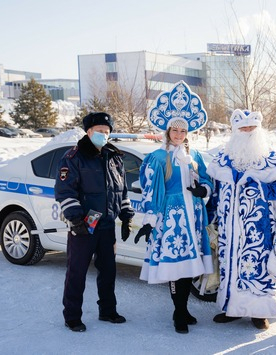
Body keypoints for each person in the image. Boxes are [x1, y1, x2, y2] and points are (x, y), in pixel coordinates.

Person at [133, 81, 213, 334]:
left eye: (183, 130)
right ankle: (178, 313)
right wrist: (149, 220)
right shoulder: (158, 157)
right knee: (174, 267)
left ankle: (184, 309)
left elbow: (208, 180)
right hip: (172, 219)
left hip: (195, 217)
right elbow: (151, 190)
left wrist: (204, 190)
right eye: (175, 130)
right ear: (168, 130)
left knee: (190, 267)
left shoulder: (196, 155)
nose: (179, 134)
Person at [206, 109, 276, 330]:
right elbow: (214, 193)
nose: (247, 132)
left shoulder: (271, 159)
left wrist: (259, 187)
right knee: (230, 269)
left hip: (258, 231)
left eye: (251, 128)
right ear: (234, 131)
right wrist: (209, 218)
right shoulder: (223, 159)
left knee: (257, 271)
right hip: (228, 231)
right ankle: (231, 309)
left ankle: (259, 314)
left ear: (259, 129)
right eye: (243, 129)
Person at [54, 112, 135, 332]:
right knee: (77, 272)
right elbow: (64, 191)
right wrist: (76, 219)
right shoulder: (74, 157)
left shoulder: (114, 157)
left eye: (107, 132)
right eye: (99, 131)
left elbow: (122, 191)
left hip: (107, 225)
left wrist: (126, 216)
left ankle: (107, 311)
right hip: (84, 226)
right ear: (88, 132)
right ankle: (72, 316)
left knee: (108, 271)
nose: (103, 135)